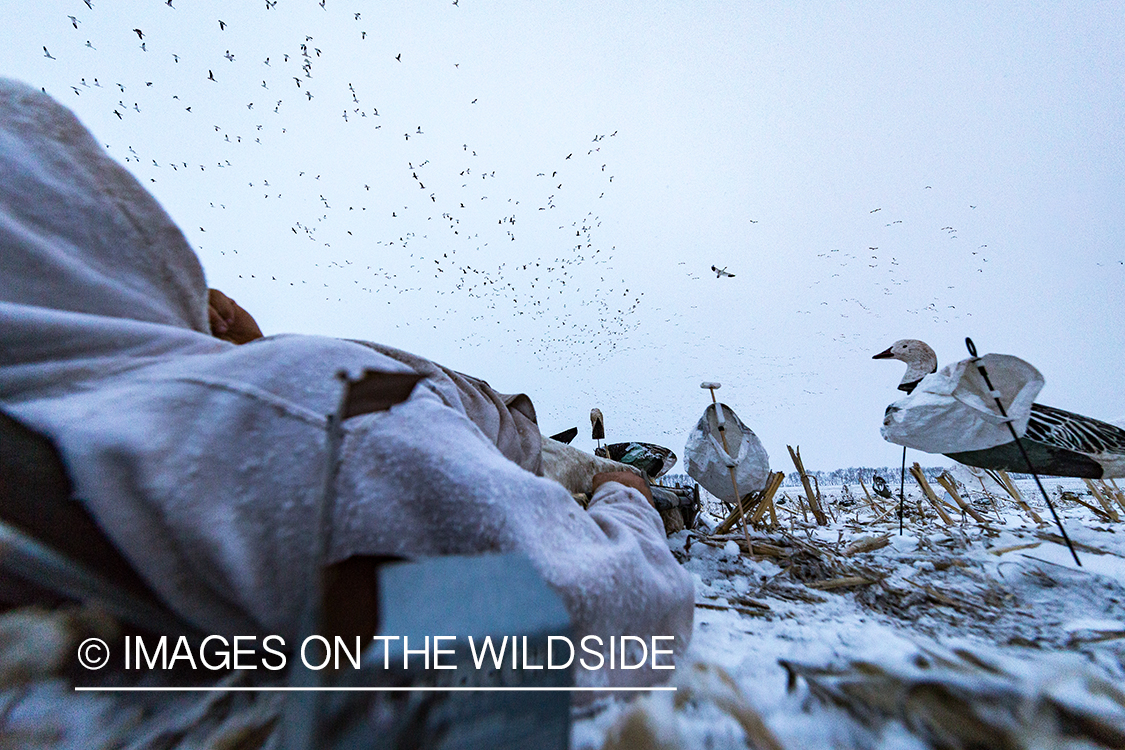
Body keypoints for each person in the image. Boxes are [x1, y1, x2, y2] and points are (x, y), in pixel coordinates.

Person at [0, 79, 692, 686]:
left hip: (440, 414)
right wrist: (622, 501)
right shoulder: (300, 410)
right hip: (493, 438)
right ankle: (651, 484)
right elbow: (617, 616)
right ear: (88, 215)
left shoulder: (68, 397)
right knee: (607, 472)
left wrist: (220, 341)